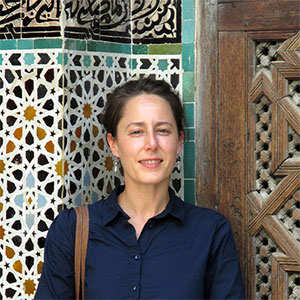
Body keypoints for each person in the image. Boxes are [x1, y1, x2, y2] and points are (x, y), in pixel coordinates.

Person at [35, 77, 245, 299]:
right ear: (113, 144)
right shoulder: (72, 230)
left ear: (179, 141)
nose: (151, 144)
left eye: (163, 130)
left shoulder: (210, 231)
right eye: (137, 132)